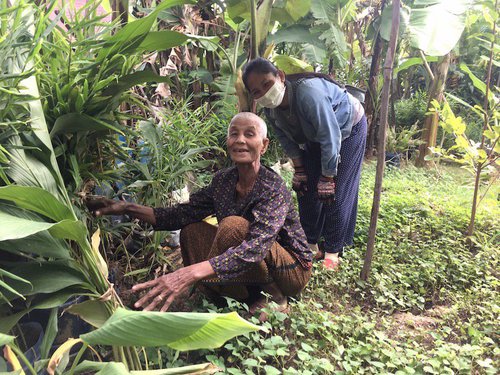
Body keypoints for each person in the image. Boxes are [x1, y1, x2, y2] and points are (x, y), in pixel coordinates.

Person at [86, 112, 312, 320]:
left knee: (233, 227)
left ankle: (275, 296)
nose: (240, 140)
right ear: (228, 142)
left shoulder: (272, 187)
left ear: (263, 146)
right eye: (234, 134)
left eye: (249, 134)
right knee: (192, 231)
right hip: (255, 262)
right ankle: (230, 291)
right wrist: (126, 208)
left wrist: (190, 272)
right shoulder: (223, 181)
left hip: (291, 270)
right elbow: (180, 214)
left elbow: (256, 246)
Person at [242, 57, 367, 270]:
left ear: (280, 76)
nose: (264, 92)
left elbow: (330, 136)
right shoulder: (271, 110)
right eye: (256, 91)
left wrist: (328, 176)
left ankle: (332, 251)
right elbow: (286, 140)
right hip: (314, 136)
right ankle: (310, 244)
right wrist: (299, 169)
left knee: (334, 191)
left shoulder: (309, 94)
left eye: (267, 84)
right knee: (305, 188)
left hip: (347, 128)